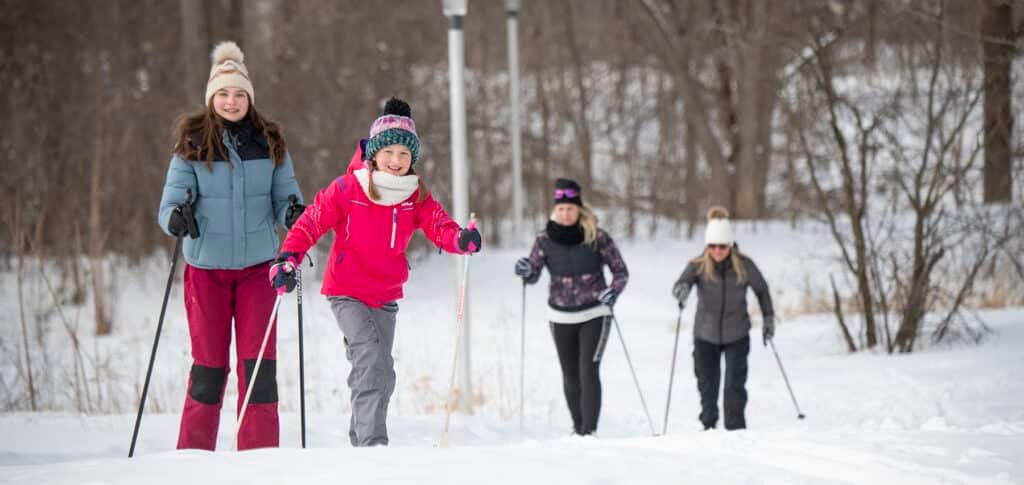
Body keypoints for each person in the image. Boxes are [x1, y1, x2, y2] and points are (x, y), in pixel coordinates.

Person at [270, 98, 482, 447]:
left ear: (412, 158)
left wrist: (462, 239)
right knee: (370, 359)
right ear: (374, 153)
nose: (396, 161)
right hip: (347, 291)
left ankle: (360, 441)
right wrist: (289, 256)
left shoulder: (415, 196)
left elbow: (440, 226)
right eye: (389, 153)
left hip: (384, 295)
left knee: (380, 371)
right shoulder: (348, 188)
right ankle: (373, 444)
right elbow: (311, 221)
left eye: (404, 154)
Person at [157, 41, 304, 450]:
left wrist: (292, 214)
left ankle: (258, 460)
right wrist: (176, 217)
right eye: (223, 93)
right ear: (211, 98)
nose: (231, 101)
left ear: (249, 98)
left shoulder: (270, 143)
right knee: (209, 369)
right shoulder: (192, 144)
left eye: (239, 94)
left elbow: (284, 198)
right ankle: (193, 458)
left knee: (259, 370)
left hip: (260, 270)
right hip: (207, 273)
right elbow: (170, 202)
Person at [514, 178, 628, 436]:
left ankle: (590, 430)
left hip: (595, 312)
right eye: (562, 209)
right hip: (560, 315)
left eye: (571, 209)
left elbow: (620, 272)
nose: (566, 214)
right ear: (556, 210)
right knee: (570, 374)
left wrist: (614, 292)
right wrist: (525, 269)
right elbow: (533, 273)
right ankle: (578, 429)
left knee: (588, 369)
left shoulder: (597, 236)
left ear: (579, 210)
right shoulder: (544, 239)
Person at [672, 206, 775, 431]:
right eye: (712, 246)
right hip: (705, 334)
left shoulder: (745, 265)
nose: (717, 251)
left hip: (736, 333)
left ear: (730, 245)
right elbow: (682, 283)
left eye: (722, 246)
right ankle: (708, 428)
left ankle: (736, 431)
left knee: (733, 387)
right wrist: (681, 290)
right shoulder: (699, 264)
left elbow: (762, 290)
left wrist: (768, 319)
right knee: (707, 386)